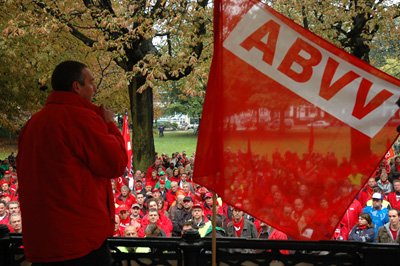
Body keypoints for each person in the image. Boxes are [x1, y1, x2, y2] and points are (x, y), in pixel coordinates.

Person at [17, 60, 128, 265]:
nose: (95, 88)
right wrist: (110, 124)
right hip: (79, 241)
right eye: (91, 83)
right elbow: (117, 164)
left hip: (43, 240)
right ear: (76, 86)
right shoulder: (82, 119)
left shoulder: (33, 123)